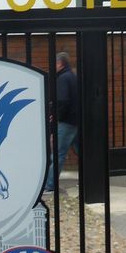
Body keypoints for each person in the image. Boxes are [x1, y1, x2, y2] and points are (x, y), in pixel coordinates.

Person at [45, 52, 80, 192]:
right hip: (76, 120)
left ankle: (50, 185)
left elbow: (63, 101)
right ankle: (91, 180)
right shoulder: (73, 76)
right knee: (81, 151)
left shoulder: (63, 78)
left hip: (66, 121)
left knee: (58, 153)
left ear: (60, 64)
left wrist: (56, 116)